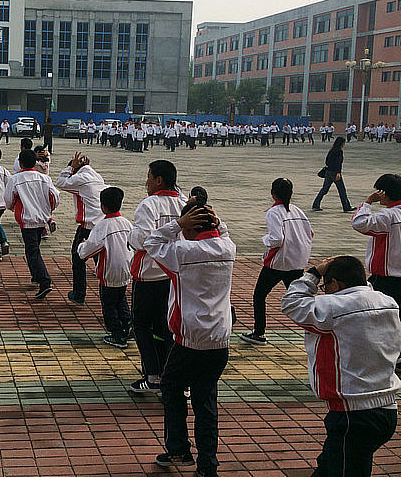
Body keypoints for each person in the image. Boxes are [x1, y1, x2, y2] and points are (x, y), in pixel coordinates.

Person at [144, 191, 236, 477]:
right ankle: (208, 465)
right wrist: (214, 220)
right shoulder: (228, 248)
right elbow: (223, 232)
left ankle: (179, 449)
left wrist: (176, 224)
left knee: (171, 387)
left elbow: (151, 242)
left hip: (189, 338)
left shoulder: (182, 253)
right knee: (205, 400)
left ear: (188, 227)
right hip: (219, 338)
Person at [282, 255, 400, 477]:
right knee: (337, 466)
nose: (324, 291)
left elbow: (291, 302)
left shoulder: (334, 307)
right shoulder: (388, 302)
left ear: (335, 283)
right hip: (387, 408)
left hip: (353, 413)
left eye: (325, 286)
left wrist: (313, 273)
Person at [128, 160, 188, 393]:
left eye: (149, 177)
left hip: (149, 274)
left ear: (159, 180)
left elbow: (143, 239)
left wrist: (130, 236)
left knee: (141, 324)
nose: (147, 182)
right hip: (173, 274)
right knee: (168, 326)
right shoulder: (183, 203)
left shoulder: (149, 205)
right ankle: (175, 376)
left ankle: (153, 376)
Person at [240, 178, 313, 345]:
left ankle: (258, 333)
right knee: (299, 298)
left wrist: (265, 239)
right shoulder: (298, 211)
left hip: (279, 262)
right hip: (297, 261)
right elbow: (310, 233)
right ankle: (313, 328)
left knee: (259, 295)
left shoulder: (273, 212)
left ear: (273, 193)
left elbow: (276, 239)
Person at [77, 186, 134, 348]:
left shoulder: (102, 226)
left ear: (102, 206)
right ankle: (128, 324)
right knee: (120, 298)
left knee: (109, 304)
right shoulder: (127, 223)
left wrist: (82, 246)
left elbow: (87, 251)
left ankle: (117, 334)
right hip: (126, 270)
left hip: (109, 272)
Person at [351, 173, 401, 355]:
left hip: (387, 276)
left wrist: (368, 202)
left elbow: (359, 223)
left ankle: (384, 351)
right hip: (395, 275)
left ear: (384, 193)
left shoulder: (388, 215)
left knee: (379, 316)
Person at [4, 149, 60, 299]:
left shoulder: (15, 179)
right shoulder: (44, 178)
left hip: (27, 219)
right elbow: (55, 197)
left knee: (32, 250)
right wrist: (48, 210)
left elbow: (8, 199)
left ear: (20, 163)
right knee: (34, 248)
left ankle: (44, 281)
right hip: (42, 219)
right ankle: (36, 275)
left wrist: (14, 208)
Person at [55, 151, 106, 305]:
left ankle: (79, 294)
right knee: (100, 260)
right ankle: (106, 293)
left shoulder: (80, 178)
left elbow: (60, 182)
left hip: (88, 226)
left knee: (78, 258)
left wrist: (70, 168)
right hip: (102, 223)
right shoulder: (97, 176)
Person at [312, 136, 356, 212]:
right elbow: (338, 163)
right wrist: (338, 172)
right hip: (335, 173)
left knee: (324, 189)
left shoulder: (331, 150)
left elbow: (327, 161)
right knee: (342, 190)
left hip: (328, 172)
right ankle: (346, 206)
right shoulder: (339, 151)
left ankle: (316, 204)